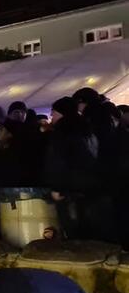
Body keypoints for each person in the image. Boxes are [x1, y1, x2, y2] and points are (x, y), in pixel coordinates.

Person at [45, 97, 116, 242]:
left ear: (62, 113)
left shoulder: (63, 131)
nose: (52, 116)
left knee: (76, 234)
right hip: (93, 187)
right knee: (94, 232)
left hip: (71, 189)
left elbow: (58, 161)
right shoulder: (88, 128)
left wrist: (57, 188)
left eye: (54, 112)